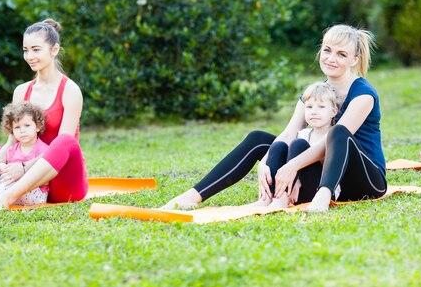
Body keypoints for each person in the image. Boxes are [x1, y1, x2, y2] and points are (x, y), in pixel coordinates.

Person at [162, 24, 387, 213]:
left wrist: (292, 165)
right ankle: (193, 195)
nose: (331, 58)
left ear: (355, 60)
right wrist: (267, 160)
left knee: (337, 133)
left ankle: (323, 197)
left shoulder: (363, 94)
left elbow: (331, 144)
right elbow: (290, 134)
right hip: (323, 170)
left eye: (341, 54)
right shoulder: (316, 93)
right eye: (327, 50)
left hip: (363, 180)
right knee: (259, 139)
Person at [0, 19, 87, 212]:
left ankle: (4, 198)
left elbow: (64, 148)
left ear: (54, 50)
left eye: (36, 49)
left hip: (62, 182)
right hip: (26, 177)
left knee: (65, 142)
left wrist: (23, 168)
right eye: (25, 50)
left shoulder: (70, 90)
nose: (29, 56)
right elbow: (12, 142)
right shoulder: (21, 91)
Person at [251, 81, 339, 209]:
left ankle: (282, 199)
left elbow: (330, 166)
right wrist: (296, 179)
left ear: (334, 111)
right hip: (297, 193)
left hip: (320, 191)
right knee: (279, 146)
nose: (314, 112)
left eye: (321, 107)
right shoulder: (303, 134)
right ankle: (269, 197)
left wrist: (298, 178)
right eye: (309, 107)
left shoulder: (335, 135)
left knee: (298, 145)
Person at [0, 102, 50, 208]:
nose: (22, 130)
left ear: (37, 127)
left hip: (35, 195)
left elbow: (45, 178)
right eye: (17, 127)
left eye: (27, 125)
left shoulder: (43, 150)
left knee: (13, 177)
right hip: (13, 196)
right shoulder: (12, 151)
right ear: (12, 131)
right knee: (0, 167)